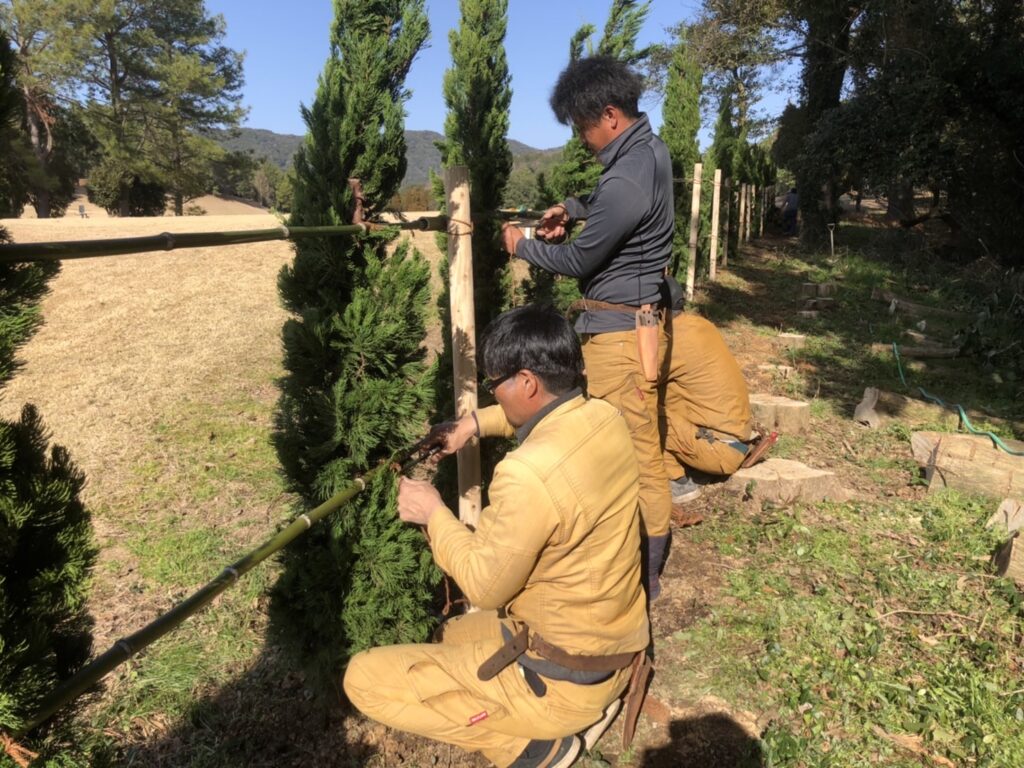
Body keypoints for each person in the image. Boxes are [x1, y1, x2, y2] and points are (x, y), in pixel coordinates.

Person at [344, 305, 650, 768]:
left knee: (362, 679)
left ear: (527, 382)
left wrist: (433, 514)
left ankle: (533, 748)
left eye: (494, 385)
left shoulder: (528, 473)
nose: (494, 394)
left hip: (564, 679)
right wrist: (472, 424)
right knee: (453, 636)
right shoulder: (604, 417)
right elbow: (541, 417)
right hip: (613, 643)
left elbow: (486, 588)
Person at [500, 55, 674, 598]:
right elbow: (609, 202)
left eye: (582, 126)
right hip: (636, 321)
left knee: (639, 455)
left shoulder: (626, 174)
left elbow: (578, 262)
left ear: (611, 114)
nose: (581, 138)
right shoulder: (648, 150)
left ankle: (646, 579)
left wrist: (521, 245)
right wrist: (570, 207)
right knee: (634, 445)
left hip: (622, 336)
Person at [661, 312, 753, 522]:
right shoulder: (700, 325)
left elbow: (637, 376)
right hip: (731, 441)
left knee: (638, 411)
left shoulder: (675, 336)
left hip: (717, 448)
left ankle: (678, 481)